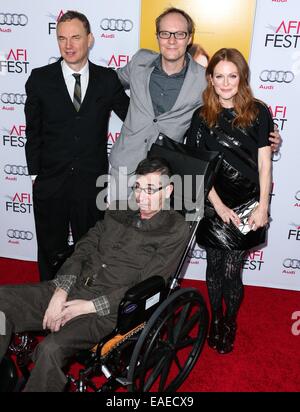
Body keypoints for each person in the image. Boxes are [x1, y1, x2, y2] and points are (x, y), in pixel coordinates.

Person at [0, 157, 190, 392]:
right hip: (73, 285)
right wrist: (61, 290)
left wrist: (87, 307)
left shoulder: (175, 229)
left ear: (168, 190)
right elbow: (84, 247)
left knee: (50, 350)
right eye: (138, 188)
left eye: (150, 190)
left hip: (107, 310)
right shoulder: (119, 209)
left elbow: (147, 285)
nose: (141, 197)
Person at [109, 7, 281, 200]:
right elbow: (107, 85)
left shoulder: (203, 79)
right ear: (157, 36)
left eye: (180, 34)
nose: (172, 40)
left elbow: (227, 113)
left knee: (155, 230)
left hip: (164, 176)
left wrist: (266, 135)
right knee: (115, 228)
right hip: (123, 168)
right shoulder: (139, 62)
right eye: (165, 33)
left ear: (189, 38)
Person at [24, 11, 129, 281]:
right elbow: (32, 131)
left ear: (90, 39)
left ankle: (81, 303)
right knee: (50, 250)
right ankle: (47, 303)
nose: (68, 45)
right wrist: (37, 175)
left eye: (75, 37)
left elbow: (133, 119)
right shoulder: (40, 79)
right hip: (51, 180)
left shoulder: (107, 80)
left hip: (92, 181)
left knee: (91, 248)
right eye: (62, 38)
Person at [186, 48, 273, 354]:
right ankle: (216, 318)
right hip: (213, 203)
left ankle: (230, 322)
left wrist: (263, 206)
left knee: (232, 270)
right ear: (210, 79)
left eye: (232, 76)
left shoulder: (259, 112)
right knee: (213, 267)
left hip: (248, 203)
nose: (225, 83)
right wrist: (219, 206)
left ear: (242, 77)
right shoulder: (201, 117)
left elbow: (264, 164)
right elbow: (198, 168)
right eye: (219, 76)